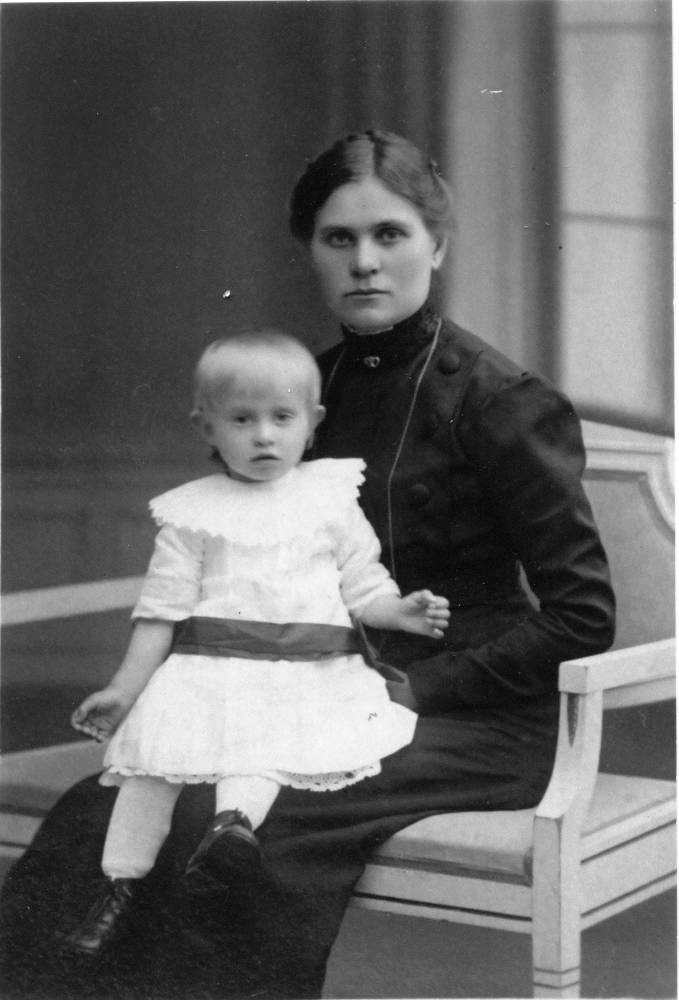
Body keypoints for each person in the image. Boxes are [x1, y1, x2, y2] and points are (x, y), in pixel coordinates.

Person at [0, 131, 615, 1000]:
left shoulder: (499, 401)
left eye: (390, 234)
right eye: (338, 238)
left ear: (436, 245)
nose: (364, 262)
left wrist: (419, 688)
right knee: (109, 807)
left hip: (468, 716)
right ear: (311, 252)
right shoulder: (295, 398)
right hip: (302, 688)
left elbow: (582, 616)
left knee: (248, 831)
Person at [60, 328, 450, 956]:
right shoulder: (193, 515)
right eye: (242, 419)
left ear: (312, 424)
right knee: (151, 772)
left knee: (264, 755)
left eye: (281, 418)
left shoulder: (330, 501)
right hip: (208, 671)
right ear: (207, 428)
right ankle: (119, 889)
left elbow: (363, 586)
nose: (264, 435)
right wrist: (123, 691)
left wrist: (400, 613)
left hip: (307, 670)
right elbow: (160, 613)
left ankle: (230, 833)